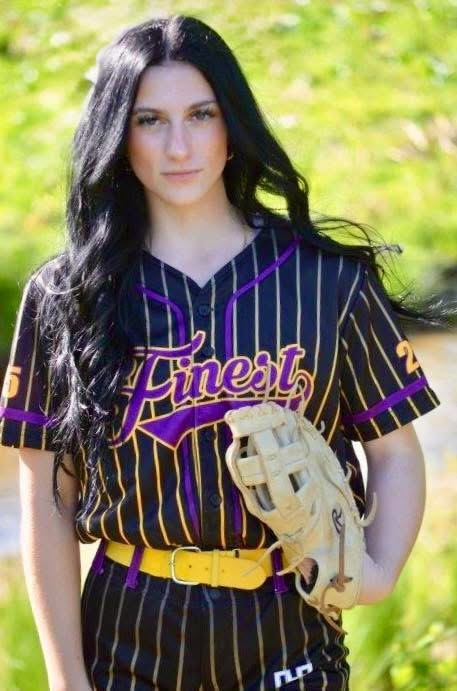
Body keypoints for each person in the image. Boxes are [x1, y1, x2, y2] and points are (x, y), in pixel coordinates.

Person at [0, 14, 447, 691]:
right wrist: (67, 680)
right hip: (129, 633)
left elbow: (395, 452)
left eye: (200, 115)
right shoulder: (68, 295)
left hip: (289, 625)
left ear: (231, 125)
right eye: (149, 120)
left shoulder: (325, 281)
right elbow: (46, 498)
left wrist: (377, 573)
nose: (178, 145)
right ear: (117, 135)